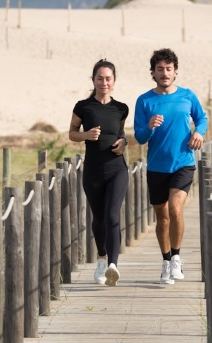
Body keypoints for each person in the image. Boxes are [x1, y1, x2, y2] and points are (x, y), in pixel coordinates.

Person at [134, 48, 208, 284]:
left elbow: (202, 118)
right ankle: (166, 261)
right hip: (156, 167)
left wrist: (199, 132)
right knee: (162, 217)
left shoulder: (187, 96)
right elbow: (140, 137)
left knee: (176, 210)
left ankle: (176, 258)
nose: (164, 73)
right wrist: (149, 126)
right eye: (160, 69)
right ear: (153, 73)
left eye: (168, 69)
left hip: (183, 163)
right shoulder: (144, 101)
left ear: (175, 72)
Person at [68, 59, 129, 286]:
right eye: (100, 78)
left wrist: (123, 142)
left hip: (117, 170)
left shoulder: (121, 108)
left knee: (113, 216)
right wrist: (85, 136)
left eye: (108, 79)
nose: (104, 82)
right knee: (99, 218)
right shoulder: (83, 107)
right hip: (93, 171)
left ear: (114, 81)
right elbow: (72, 133)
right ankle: (102, 259)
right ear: (93, 80)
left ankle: (113, 265)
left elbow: (120, 132)